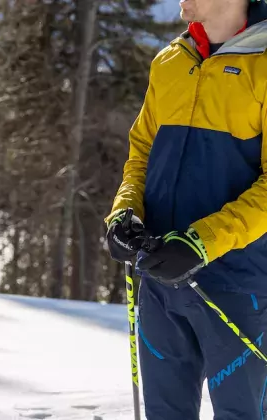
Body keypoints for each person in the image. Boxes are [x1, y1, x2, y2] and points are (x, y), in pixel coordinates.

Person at [104, 0, 267, 418]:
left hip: (239, 285)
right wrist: (125, 213)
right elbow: (141, 152)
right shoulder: (171, 61)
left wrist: (201, 244)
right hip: (160, 279)